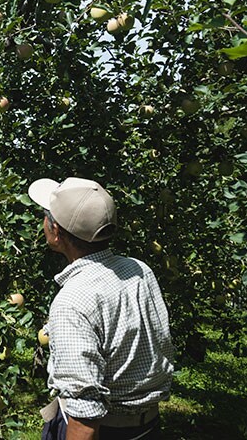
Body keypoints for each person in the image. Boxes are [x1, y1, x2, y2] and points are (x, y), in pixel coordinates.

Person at [28, 177, 174, 440]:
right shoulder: (139, 270)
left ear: (56, 231)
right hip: (148, 426)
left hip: (105, 431)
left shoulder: (72, 302)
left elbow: (84, 418)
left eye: (45, 216)